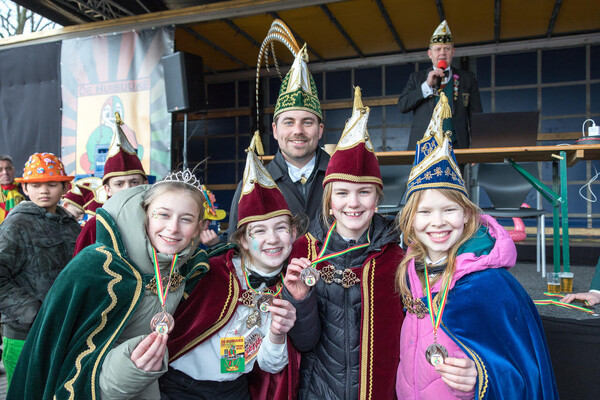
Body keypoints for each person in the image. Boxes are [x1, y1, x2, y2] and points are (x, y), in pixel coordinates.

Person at [394, 92, 558, 399]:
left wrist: (482, 375)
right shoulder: (410, 270)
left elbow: (522, 366)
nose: (437, 222)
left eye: (449, 210)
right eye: (425, 212)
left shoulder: (489, 282)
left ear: (468, 214)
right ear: (411, 220)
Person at [7, 170, 211, 399]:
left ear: (198, 227)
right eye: (163, 215)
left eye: (186, 219)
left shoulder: (186, 269)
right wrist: (127, 371)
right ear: (146, 214)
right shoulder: (96, 267)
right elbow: (56, 356)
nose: (173, 228)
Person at [283, 87, 405, 399]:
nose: (353, 203)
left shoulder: (395, 257)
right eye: (342, 193)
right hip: (319, 390)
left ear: (377, 200)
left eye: (364, 192)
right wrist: (300, 299)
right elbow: (303, 341)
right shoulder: (305, 251)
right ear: (329, 202)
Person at [163, 133, 300, 399]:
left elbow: (271, 365)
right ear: (244, 241)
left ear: (293, 234)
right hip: (180, 388)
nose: (272, 239)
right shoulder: (209, 272)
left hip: (234, 390)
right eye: (258, 231)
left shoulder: (289, 288)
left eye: (281, 228)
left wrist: (277, 333)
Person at [227, 20, 330, 237]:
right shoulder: (254, 183)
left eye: (307, 122)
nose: (298, 130)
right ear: (275, 130)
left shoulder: (340, 174)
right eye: (289, 122)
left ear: (320, 130)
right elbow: (235, 244)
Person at [0, 153, 81, 386]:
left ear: (65, 186)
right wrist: (34, 312)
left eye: (52, 184)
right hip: (24, 335)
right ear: (25, 189)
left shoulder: (71, 225)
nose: (43, 191)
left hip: (64, 331)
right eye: (35, 185)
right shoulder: (16, 224)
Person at [398, 20, 482, 150]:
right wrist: (427, 85)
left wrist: (478, 146)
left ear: (453, 52)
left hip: (455, 146)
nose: (442, 53)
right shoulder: (417, 78)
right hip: (424, 147)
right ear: (430, 54)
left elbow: (476, 115)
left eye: (447, 49)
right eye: (438, 49)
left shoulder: (467, 78)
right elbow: (403, 105)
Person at [73, 112, 148, 255]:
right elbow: (79, 273)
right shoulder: (94, 226)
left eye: (134, 182)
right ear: (107, 189)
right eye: (119, 184)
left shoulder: (157, 222)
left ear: (145, 183)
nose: (128, 189)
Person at [0, 154, 25, 224]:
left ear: (13, 170)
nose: (5, 172)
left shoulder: (26, 189)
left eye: (8, 168)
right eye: (0, 170)